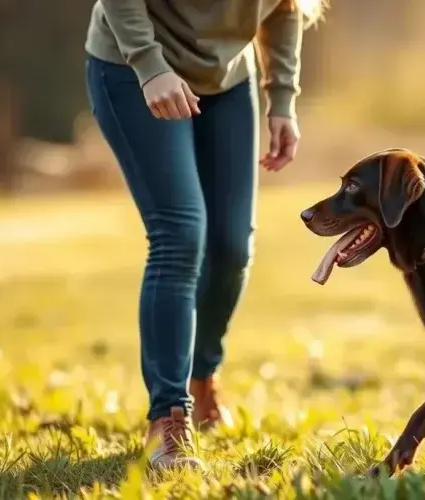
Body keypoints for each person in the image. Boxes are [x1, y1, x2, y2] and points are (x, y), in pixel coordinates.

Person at [83, 0, 323, 469]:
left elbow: (285, 7)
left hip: (229, 78)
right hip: (135, 67)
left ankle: (201, 373)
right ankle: (168, 419)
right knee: (180, 234)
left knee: (232, 245)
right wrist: (150, 67)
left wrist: (282, 100)